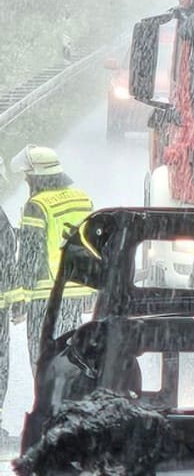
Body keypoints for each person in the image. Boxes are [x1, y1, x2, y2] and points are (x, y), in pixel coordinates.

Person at [10, 146, 93, 364]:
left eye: (27, 178)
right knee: (71, 358)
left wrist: (21, 297)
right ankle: (68, 398)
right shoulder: (82, 200)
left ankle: (46, 398)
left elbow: (31, 256)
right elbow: (94, 245)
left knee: (43, 361)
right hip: (76, 291)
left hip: (46, 296)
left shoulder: (37, 206)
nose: (27, 183)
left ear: (37, 177)